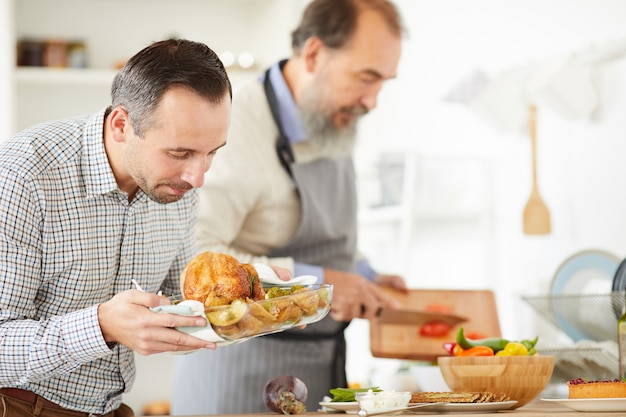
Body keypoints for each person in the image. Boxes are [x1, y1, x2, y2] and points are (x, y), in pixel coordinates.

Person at [171, 0, 409, 414]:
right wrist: (316, 283)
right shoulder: (234, 126)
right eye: (366, 78)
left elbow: (325, 235)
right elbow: (193, 256)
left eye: (384, 82)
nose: (373, 101)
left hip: (318, 365)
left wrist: (362, 274)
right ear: (314, 54)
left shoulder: (331, 116)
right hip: (240, 377)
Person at [0, 39, 234, 417]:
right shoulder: (23, 176)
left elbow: (183, 305)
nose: (198, 176)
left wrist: (260, 302)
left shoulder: (178, 187)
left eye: (212, 152)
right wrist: (102, 325)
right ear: (122, 124)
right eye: (180, 153)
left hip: (111, 409)